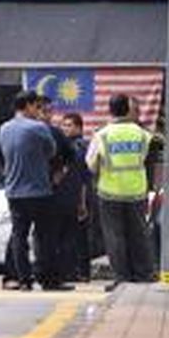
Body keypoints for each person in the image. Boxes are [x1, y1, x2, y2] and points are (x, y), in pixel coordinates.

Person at [86, 94, 155, 292]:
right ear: (128, 109)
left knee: (115, 237)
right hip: (136, 191)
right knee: (139, 234)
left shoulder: (102, 135)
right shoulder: (143, 134)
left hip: (110, 192)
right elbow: (146, 158)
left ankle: (122, 278)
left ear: (110, 110)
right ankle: (144, 275)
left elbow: (91, 164)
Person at [0, 90, 61, 291]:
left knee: (19, 236)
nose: (38, 111)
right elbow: (51, 151)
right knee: (45, 237)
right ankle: (48, 279)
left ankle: (23, 279)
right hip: (39, 190)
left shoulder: (4, 128)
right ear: (28, 106)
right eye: (36, 107)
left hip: (14, 191)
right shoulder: (39, 128)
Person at [36, 97, 78, 289]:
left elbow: (71, 155)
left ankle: (45, 276)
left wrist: (60, 172)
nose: (47, 115)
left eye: (49, 111)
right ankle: (19, 277)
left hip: (46, 191)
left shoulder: (54, 133)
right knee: (23, 236)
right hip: (30, 191)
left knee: (47, 236)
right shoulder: (19, 130)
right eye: (43, 111)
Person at [60, 112, 93, 281]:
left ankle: (80, 271)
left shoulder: (80, 147)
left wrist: (82, 202)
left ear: (79, 128)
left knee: (78, 236)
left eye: (69, 125)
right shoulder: (66, 145)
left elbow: (83, 177)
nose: (65, 128)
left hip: (79, 195)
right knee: (70, 235)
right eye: (63, 125)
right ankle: (74, 271)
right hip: (68, 195)